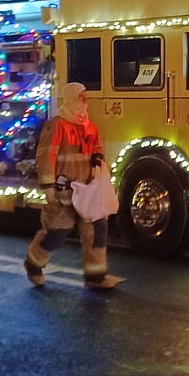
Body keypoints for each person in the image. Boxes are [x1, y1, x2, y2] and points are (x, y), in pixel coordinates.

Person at [24, 82, 121, 290]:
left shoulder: (89, 126)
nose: (84, 101)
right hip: (63, 192)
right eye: (81, 97)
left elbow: (96, 147)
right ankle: (33, 263)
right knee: (56, 233)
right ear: (70, 98)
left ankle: (95, 277)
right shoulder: (57, 125)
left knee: (97, 231)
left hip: (87, 191)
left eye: (85, 96)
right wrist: (49, 187)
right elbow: (46, 155)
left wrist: (97, 158)